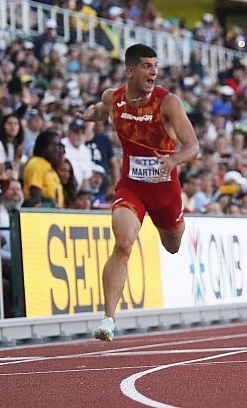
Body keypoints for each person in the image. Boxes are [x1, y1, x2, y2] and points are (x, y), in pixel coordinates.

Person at [79, 44, 199, 341]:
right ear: (130, 70)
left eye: (155, 65)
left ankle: (175, 226)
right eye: (146, 65)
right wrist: (92, 114)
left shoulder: (168, 103)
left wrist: (172, 160)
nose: (153, 71)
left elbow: (193, 147)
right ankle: (108, 319)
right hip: (131, 186)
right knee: (123, 243)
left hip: (165, 190)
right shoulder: (114, 98)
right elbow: (102, 108)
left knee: (172, 244)